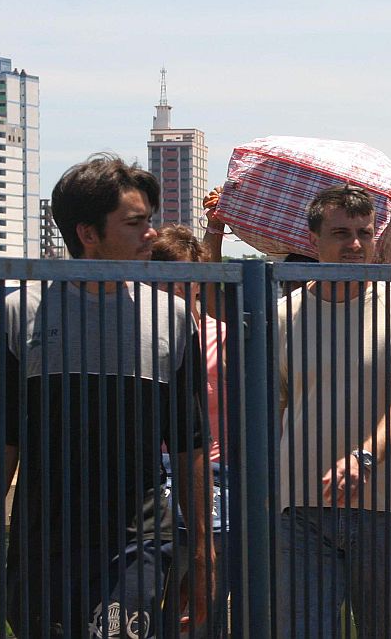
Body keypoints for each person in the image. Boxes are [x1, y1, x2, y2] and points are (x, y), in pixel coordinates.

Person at [0, 154, 213, 637]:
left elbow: (189, 446)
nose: (152, 235)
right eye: (135, 223)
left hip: (137, 539)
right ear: (88, 233)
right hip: (43, 546)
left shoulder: (173, 320)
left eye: (150, 221)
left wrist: (202, 554)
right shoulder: (19, 316)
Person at [275, 185, 391, 638]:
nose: (355, 245)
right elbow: (274, 410)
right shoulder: (284, 316)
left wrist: (363, 458)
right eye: (341, 232)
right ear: (313, 241)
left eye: (365, 233)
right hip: (301, 513)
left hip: (390, 509)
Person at [151, 226, 229, 639]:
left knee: (204, 604)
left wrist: (214, 236)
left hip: (216, 480)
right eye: (167, 278)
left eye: (187, 278)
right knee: (155, 599)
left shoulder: (221, 336)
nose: (179, 288)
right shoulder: (140, 336)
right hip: (152, 481)